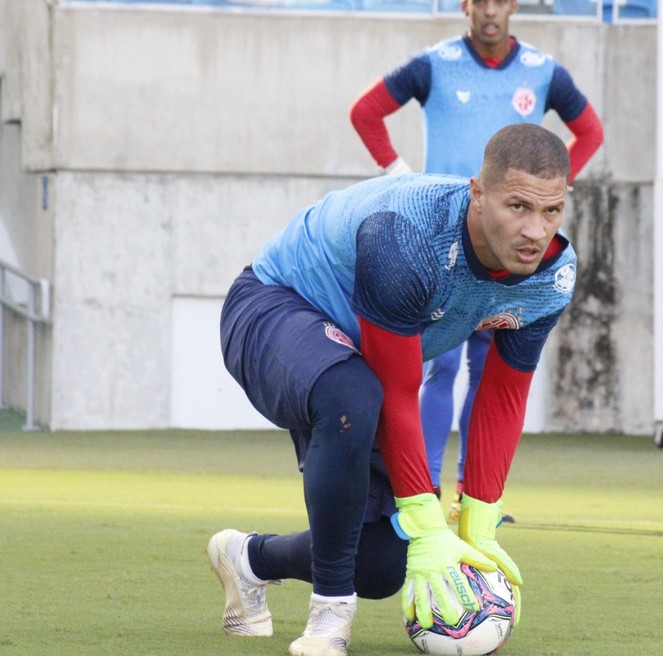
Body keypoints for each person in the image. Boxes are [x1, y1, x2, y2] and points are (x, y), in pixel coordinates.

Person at [206, 123, 576, 656]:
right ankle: (329, 617)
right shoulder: (408, 235)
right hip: (272, 304)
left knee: (381, 563)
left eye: (551, 211)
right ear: (478, 194)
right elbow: (398, 391)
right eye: (517, 206)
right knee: (352, 396)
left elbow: (502, 396)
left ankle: (248, 560)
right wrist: (427, 524)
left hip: (357, 359)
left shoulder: (553, 275)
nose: (535, 232)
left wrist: (479, 523)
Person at [349, 0, 603, 519]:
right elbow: (366, 112)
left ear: (513, 5)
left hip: (506, 249)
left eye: (500, 0)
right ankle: (422, 490)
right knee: (437, 369)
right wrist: (399, 174)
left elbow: (591, 131)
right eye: (479, 0)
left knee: (491, 370)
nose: (490, 10)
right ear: (465, 5)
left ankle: (474, 494)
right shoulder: (432, 64)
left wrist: (547, 194)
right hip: (440, 244)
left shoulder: (544, 70)